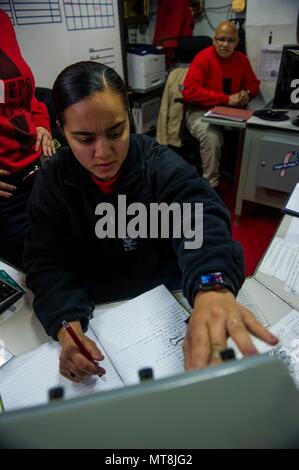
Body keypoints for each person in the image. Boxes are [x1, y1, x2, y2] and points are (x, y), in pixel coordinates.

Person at [24, 61, 277, 383]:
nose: (103, 153)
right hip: (99, 313)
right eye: (84, 139)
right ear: (61, 130)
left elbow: (199, 218)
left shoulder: (159, 165)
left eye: (116, 132)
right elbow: (47, 262)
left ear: (129, 118)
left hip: (167, 299)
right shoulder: (52, 183)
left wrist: (211, 286)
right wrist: (67, 328)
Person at [0, 9, 55, 269]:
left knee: (56, 256)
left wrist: (41, 122)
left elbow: (23, 95)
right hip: (5, 195)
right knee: (31, 272)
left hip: (34, 174)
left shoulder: (2, 19)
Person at [182, 20, 260, 188]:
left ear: (237, 42)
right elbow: (189, 91)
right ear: (214, 40)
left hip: (231, 113)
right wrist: (226, 99)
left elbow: (254, 85)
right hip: (201, 111)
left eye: (230, 40)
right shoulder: (203, 58)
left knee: (255, 134)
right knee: (212, 137)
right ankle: (211, 185)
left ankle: (245, 182)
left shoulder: (242, 60)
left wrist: (246, 93)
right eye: (221, 39)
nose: (225, 44)